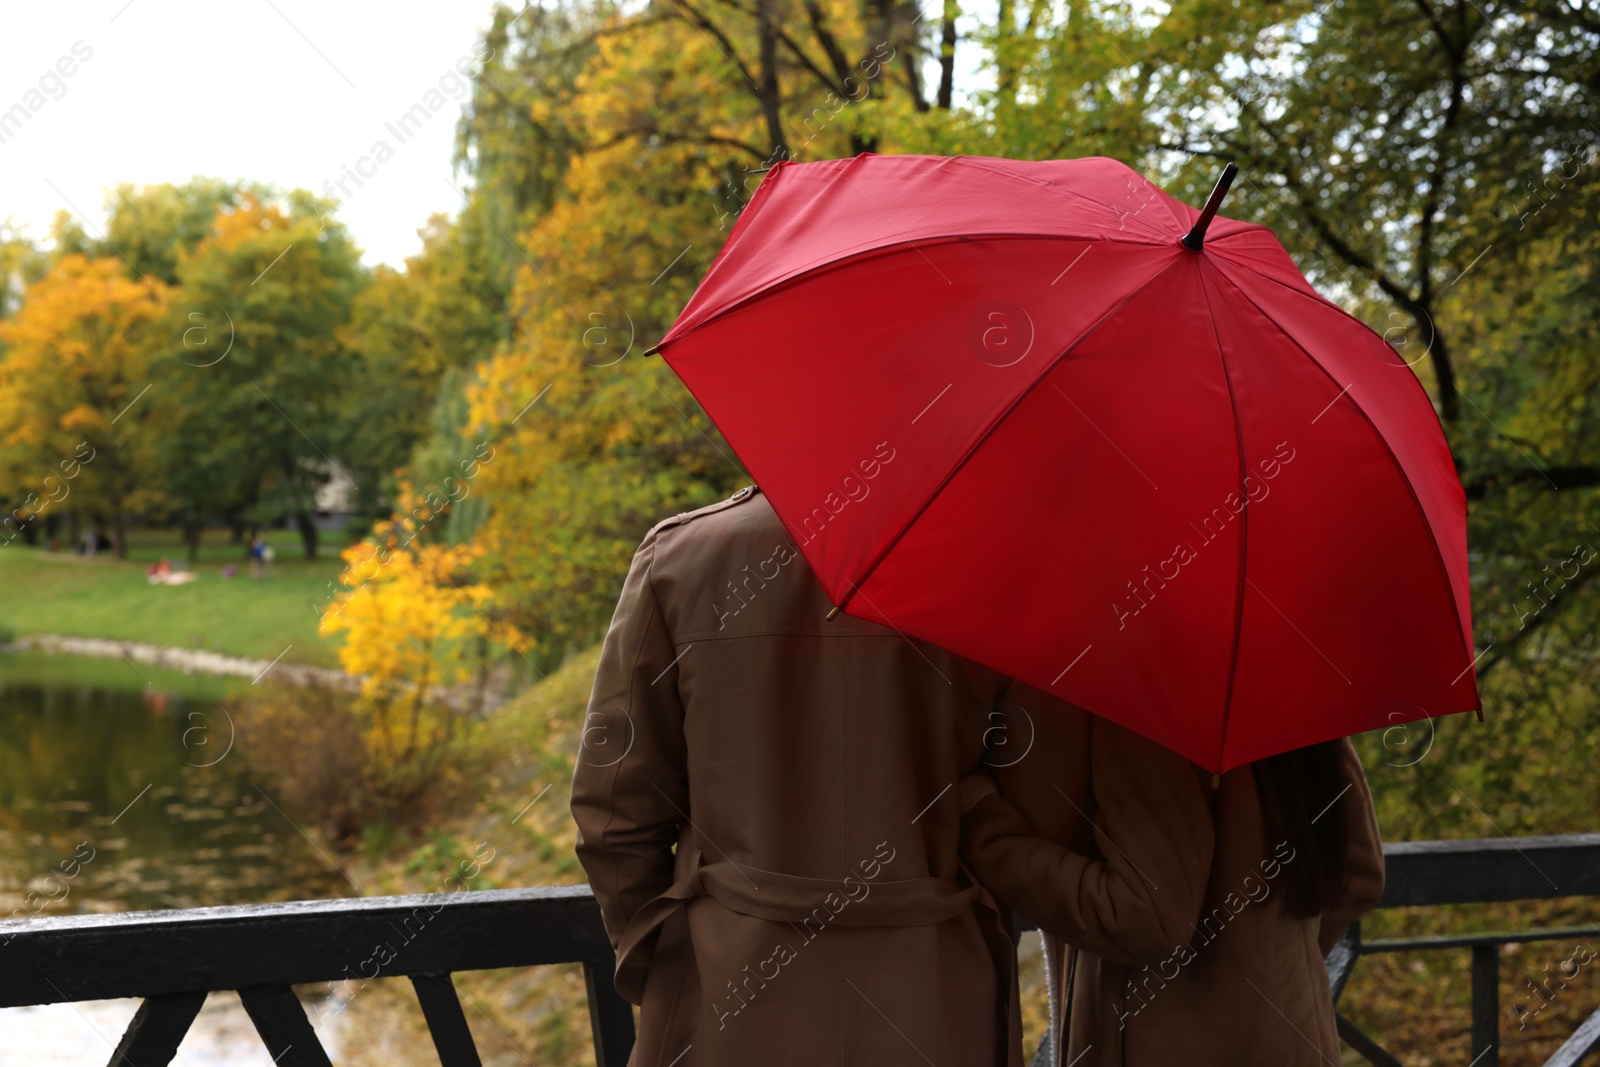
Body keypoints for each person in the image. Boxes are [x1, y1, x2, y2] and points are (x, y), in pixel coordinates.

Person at [571, 485, 1045, 1066]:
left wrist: (670, 963)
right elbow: (1031, 800)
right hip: (934, 996)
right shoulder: (987, 564)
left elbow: (613, 814)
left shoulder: (681, 556)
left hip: (729, 994)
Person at [958, 709, 1385, 1066]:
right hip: (1296, 1041)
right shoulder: (1292, 692)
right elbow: (1360, 877)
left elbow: (1144, 916)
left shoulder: (1149, 703)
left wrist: (984, 828)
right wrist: (1269, 968)